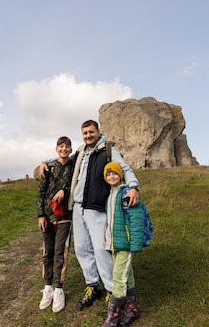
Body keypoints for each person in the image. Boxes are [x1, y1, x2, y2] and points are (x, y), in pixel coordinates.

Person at [41, 120, 140, 311]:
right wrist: (44, 162)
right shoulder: (80, 152)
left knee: (101, 250)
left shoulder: (108, 150)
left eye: (91, 132)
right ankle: (92, 285)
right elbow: (62, 160)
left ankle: (112, 290)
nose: (88, 135)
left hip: (97, 208)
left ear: (98, 132)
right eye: (85, 133)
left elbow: (125, 168)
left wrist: (133, 187)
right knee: (81, 248)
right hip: (77, 207)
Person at [99, 162, 143, 327]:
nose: (111, 177)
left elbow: (136, 216)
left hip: (125, 243)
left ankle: (112, 316)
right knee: (127, 274)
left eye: (115, 174)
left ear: (121, 175)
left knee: (118, 276)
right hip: (115, 243)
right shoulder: (110, 194)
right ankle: (132, 309)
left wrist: (135, 243)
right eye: (108, 175)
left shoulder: (125, 192)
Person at [36, 136, 74, 313]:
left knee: (61, 251)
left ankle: (59, 288)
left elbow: (78, 186)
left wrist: (64, 191)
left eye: (67, 146)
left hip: (65, 216)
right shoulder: (49, 168)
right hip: (48, 216)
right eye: (61, 146)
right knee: (48, 252)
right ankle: (48, 287)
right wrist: (41, 215)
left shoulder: (75, 167)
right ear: (56, 149)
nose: (64, 149)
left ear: (71, 150)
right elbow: (41, 192)